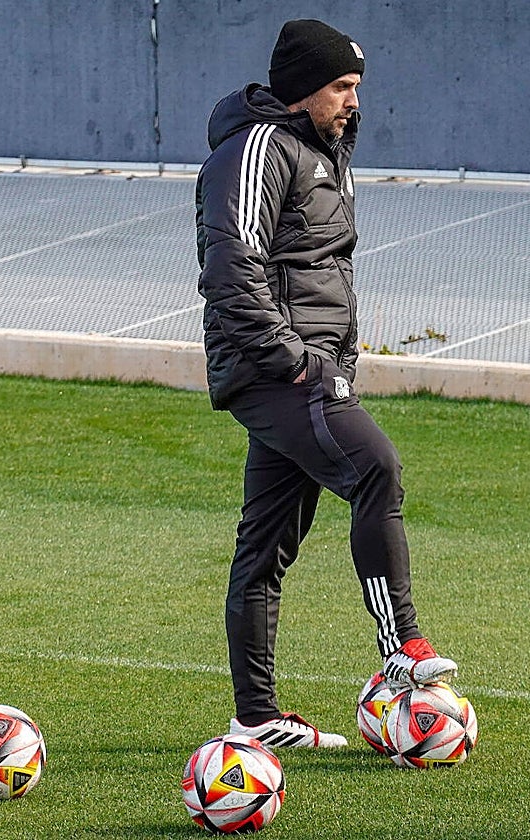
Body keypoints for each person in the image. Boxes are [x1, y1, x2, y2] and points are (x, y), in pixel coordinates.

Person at [195, 19, 458, 749]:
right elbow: (231, 266)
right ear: (303, 88)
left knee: (266, 545)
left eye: (356, 87)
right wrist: (295, 359)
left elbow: (321, 268)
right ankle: (401, 647)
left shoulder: (323, 148)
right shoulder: (255, 150)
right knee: (376, 468)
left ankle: (255, 720)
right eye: (341, 87)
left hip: (309, 365)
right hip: (274, 368)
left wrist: (335, 358)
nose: (354, 102)